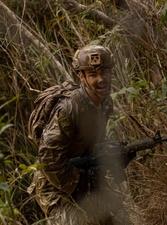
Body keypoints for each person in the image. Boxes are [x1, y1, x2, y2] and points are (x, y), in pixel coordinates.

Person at [27, 44, 134, 224]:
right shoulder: (69, 109)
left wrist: (115, 155)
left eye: (104, 73)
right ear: (81, 77)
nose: (101, 79)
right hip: (57, 187)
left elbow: (92, 144)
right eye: (93, 75)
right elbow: (49, 157)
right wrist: (79, 186)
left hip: (86, 180)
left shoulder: (105, 104)